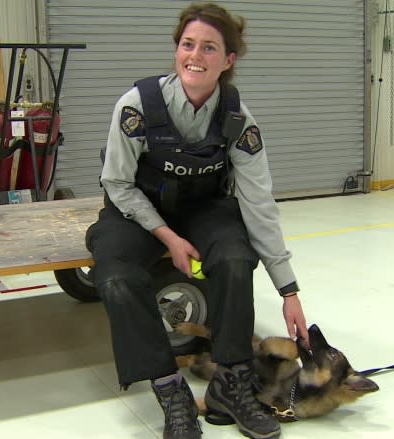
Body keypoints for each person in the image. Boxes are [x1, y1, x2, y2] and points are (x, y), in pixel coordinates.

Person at [85, 3, 309, 439]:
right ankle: (173, 393)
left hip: (204, 208)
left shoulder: (239, 122)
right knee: (114, 278)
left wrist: (289, 289)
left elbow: (258, 202)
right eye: (188, 44)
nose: (195, 55)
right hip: (136, 211)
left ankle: (231, 383)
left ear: (228, 61)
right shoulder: (136, 108)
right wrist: (166, 235)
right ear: (176, 51)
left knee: (233, 256)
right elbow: (116, 182)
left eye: (209, 48)